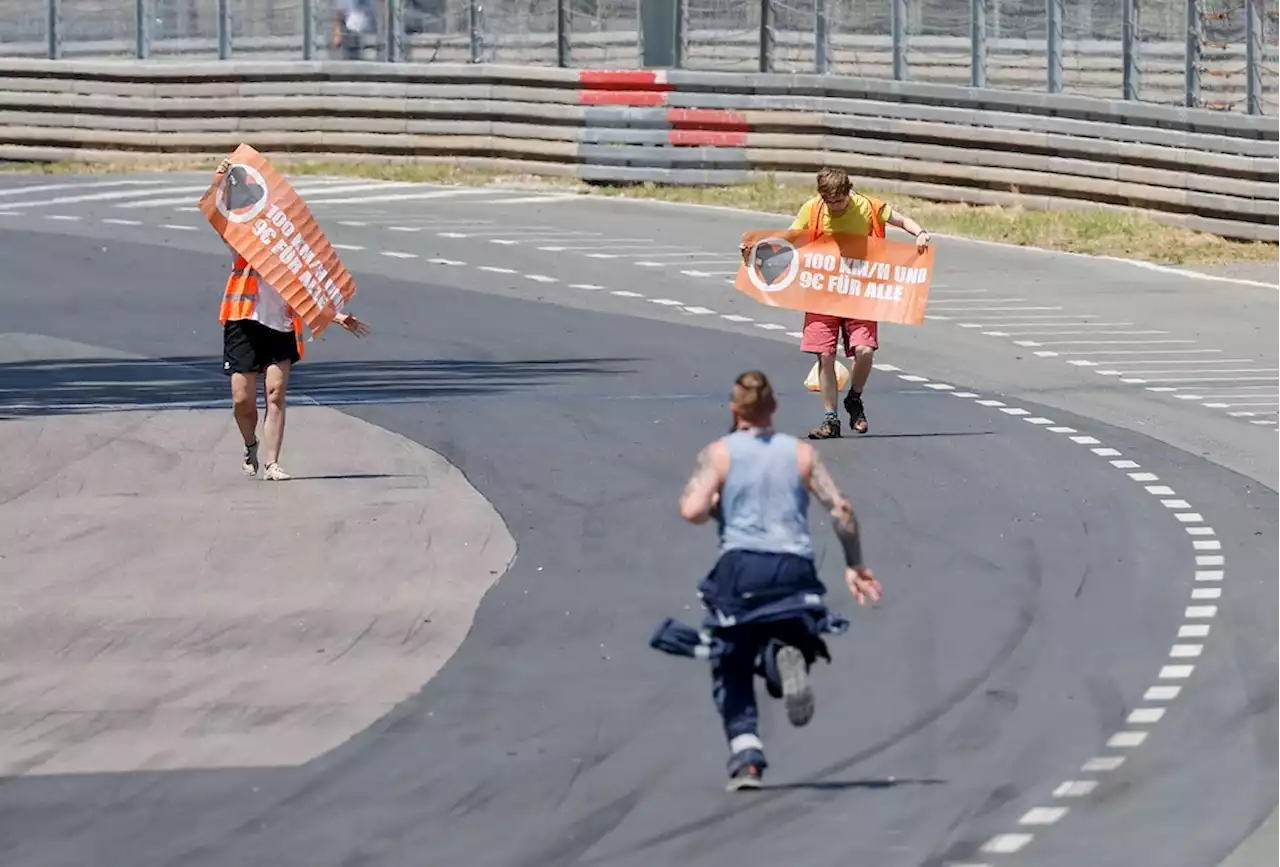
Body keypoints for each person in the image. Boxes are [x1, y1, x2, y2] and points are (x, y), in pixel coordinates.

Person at [649, 370, 882, 790]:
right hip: (794, 569)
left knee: (731, 660)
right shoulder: (800, 454)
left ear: (734, 409)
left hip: (742, 569)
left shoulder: (719, 454)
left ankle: (747, 755)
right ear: (773, 408)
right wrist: (855, 565)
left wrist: (717, 501)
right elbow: (841, 511)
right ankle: (781, 659)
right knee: (795, 633)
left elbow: (692, 510)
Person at [213, 159, 371, 481]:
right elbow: (223, 218)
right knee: (242, 400)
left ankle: (272, 463)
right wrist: (222, 178)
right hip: (243, 321)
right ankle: (250, 443)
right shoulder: (244, 242)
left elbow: (310, 290)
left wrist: (337, 315)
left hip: (281, 326)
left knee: (275, 393)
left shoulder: (292, 256)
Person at [749, 167, 932, 440]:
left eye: (839, 201)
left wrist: (920, 233)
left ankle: (854, 398)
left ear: (849, 192)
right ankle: (830, 419)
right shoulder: (812, 209)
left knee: (865, 350)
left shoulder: (869, 207)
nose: (834, 207)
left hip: (861, 291)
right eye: (829, 201)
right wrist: (755, 248)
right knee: (825, 355)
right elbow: (787, 240)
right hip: (823, 292)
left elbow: (902, 220)